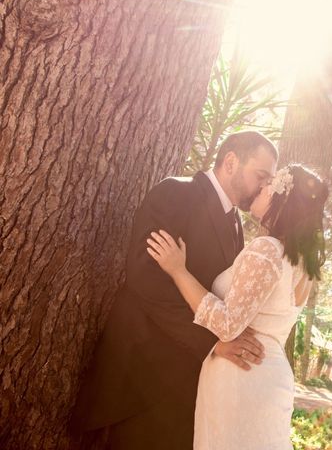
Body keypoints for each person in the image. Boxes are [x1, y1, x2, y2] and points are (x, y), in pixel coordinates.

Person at [71, 131, 278, 449]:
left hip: (183, 390)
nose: (265, 187)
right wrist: (213, 343)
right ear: (231, 162)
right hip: (140, 383)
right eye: (261, 176)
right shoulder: (175, 194)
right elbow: (146, 282)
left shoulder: (236, 225)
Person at [146, 164, 328, 450]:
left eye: (269, 184)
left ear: (281, 197)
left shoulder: (267, 248)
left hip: (242, 373)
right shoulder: (302, 263)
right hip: (269, 374)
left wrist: (178, 271)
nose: (261, 187)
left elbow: (228, 325)